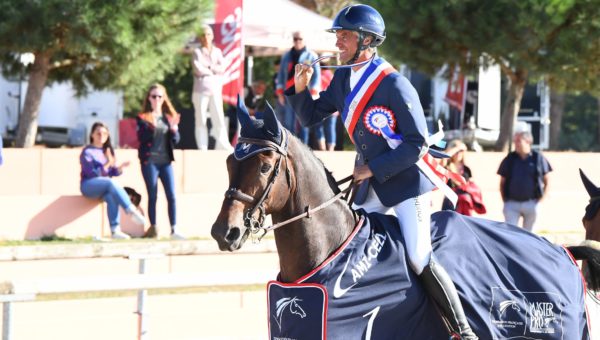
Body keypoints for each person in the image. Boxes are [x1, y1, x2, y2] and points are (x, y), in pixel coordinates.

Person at [286, 4, 478, 339]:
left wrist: (372, 168)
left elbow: (416, 143)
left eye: (345, 36)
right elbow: (311, 116)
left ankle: (462, 329)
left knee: (419, 256)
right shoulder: (343, 79)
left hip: (406, 185)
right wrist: (301, 89)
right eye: (338, 35)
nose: (339, 42)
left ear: (367, 40)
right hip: (369, 185)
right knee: (346, 248)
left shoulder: (394, 84)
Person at [80, 122, 145, 239]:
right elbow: (92, 174)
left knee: (111, 195)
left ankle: (115, 230)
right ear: (92, 135)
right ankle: (130, 209)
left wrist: (119, 168)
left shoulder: (107, 151)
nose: (101, 136)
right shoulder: (87, 152)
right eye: (98, 133)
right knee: (111, 183)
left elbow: (111, 173)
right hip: (88, 186)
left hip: (104, 187)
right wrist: (108, 163)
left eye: (104, 133)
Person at [136, 84, 185, 240]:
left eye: (159, 96)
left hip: (165, 162)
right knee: (153, 195)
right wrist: (153, 126)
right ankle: (154, 228)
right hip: (149, 161)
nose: (157, 99)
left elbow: (176, 140)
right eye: (153, 96)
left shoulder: (169, 117)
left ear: (164, 99)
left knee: (171, 195)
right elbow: (141, 138)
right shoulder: (143, 117)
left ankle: (174, 229)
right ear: (149, 99)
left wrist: (174, 129)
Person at [497, 130, 552, 231]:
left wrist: (540, 201)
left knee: (530, 235)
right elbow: (502, 183)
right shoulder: (510, 158)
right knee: (510, 234)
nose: (516, 143)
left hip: (531, 203)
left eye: (518, 140)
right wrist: (505, 202)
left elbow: (547, 181)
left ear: (528, 141)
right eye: (515, 141)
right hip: (511, 204)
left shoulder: (538, 158)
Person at [191, 24, 233, 151]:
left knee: (218, 116)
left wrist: (209, 68)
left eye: (208, 34)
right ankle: (202, 145)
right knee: (201, 118)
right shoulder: (197, 52)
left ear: (212, 36)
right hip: (200, 90)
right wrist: (214, 70)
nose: (206, 37)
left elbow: (223, 67)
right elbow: (198, 69)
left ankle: (223, 143)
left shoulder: (217, 51)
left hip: (215, 89)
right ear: (200, 37)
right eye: (203, 35)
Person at [276, 31, 321, 144]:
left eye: (300, 39)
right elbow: (281, 75)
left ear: (304, 40)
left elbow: (316, 76)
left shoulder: (311, 55)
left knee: (303, 121)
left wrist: (314, 91)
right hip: (289, 93)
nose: (297, 41)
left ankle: (303, 148)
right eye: (295, 39)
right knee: (288, 122)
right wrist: (280, 91)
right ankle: (289, 147)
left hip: (303, 92)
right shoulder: (286, 55)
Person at [441, 139, 486, 216]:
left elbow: (470, 186)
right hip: (450, 202)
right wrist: (458, 147)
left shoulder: (466, 169)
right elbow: (444, 158)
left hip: (465, 203)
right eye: (456, 152)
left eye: (461, 151)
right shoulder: (447, 167)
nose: (458, 154)